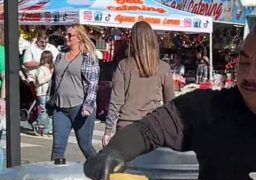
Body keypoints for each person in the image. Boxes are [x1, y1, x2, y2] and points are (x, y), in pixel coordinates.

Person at [84, 20, 256, 180]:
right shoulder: (208, 109)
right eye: (244, 63)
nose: (250, 74)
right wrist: (114, 151)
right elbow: (149, 129)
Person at [102, 21, 174, 147]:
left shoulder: (124, 66)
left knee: (127, 166)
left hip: (127, 126)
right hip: (153, 127)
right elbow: (171, 104)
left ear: (133, 41)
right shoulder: (163, 68)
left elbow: (116, 100)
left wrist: (108, 130)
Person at [50, 24, 99, 163]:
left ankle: (100, 171)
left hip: (80, 107)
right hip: (60, 108)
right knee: (57, 148)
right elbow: (55, 81)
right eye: (66, 34)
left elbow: (93, 84)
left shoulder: (88, 58)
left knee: (85, 146)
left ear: (79, 38)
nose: (66, 37)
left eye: (70, 35)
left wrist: (89, 105)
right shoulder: (60, 56)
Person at [34, 50, 54, 136]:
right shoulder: (41, 68)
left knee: (49, 110)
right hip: (42, 93)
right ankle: (40, 127)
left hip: (48, 92)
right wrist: (50, 76)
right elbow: (40, 80)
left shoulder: (50, 68)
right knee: (43, 110)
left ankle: (48, 128)